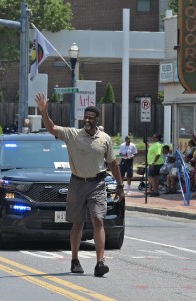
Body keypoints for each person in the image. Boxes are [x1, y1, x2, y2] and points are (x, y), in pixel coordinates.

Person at [35, 92, 123, 278]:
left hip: (97, 183)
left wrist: (120, 186)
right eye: (86, 117)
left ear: (97, 120)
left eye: (91, 118)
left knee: (98, 220)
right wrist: (44, 111)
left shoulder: (104, 139)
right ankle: (75, 259)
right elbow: (51, 127)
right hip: (77, 183)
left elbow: (113, 164)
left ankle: (100, 262)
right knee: (77, 223)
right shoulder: (73, 135)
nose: (87, 120)